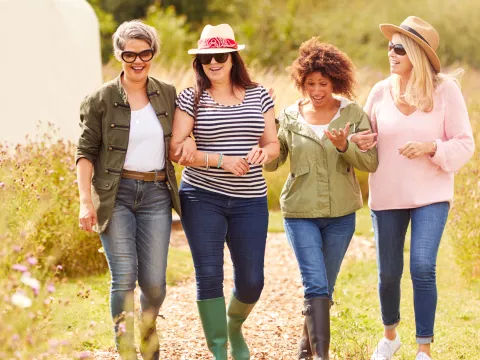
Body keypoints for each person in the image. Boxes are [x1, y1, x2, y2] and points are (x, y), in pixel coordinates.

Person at [352, 16, 475, 360]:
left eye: (400, 47)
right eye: (390, 45)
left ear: (418, 54)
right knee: (388, 272)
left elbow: (465, 144)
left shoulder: (445, 91)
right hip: (387, 195)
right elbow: (367, 144)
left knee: (422, 265)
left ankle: (424, 348)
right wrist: (359, 142)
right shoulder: (378, 91)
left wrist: (432, 147)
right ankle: (390, 337)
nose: (391, 52)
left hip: (431, 196)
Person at [169, 24, 279, 360]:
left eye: (220, 56)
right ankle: (219, 350)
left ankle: (233, 325)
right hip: (202, 197)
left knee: (251, 281)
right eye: (206, 58)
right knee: (209, 274)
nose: (213, 63)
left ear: (233, 58)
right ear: (199, 62)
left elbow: (272, 143)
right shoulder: (191, 97)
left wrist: (265, 153)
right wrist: (221, 161)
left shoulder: (260, 95)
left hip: (250, 199)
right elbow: (176, 149)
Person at [264, 37, 378, 360]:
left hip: (341, 216)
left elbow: (371, 163)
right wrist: (266, 120)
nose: (316, 90)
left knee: (324, 288)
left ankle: (305, 349)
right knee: (314, 283)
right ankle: (321, 356)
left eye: (323, 83)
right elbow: (273, 162)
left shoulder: (353, 114)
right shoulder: (288, 117)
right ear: (302, 82)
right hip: (299, 213)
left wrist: (345, 147)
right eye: (310, 83)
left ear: (335, 81)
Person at [75, 20, 182, 360]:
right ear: (118, 55)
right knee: (124, 279)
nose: (138, 61)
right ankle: (127, 351)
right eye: (129, 54)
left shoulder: (167, 92)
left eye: (145, 53)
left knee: (153, 283)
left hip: (156, 194)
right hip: (115, 196)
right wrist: (84, 202)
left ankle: (148, 334)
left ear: (153, 53)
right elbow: (85, 153)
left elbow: (181, 139)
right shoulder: (100, 99)